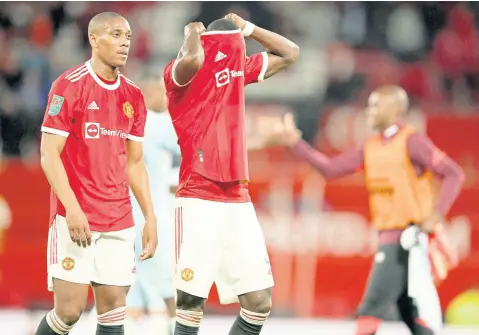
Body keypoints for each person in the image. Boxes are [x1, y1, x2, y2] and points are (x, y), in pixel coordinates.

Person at [269, 85, 464, 335]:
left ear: (394, 109)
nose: (369, 111)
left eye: (375, 105)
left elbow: (454, 173)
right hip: (391, 237)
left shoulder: (412, 141)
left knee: (372, 307)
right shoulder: (371, 146)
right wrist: (295, 143)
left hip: (405, 239)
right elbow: (330, 169)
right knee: (409, 310)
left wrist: (437, 214)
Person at [163, 13, 299, 335]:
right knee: (190, 301)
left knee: (258, 301)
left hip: (238, 197)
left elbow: (290, 52)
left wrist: (249, 29)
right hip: (198, 195)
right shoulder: (177, 74)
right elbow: (194, 57)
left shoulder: (237, 70)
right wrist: (193, 32)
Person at [35, 12, 158, 335]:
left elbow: (135, 163)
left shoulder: (133, 96)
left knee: (114, 310)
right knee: (69, 312)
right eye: (116, 35)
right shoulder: (69, 85)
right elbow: (49, 154)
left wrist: (150, 217)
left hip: (119, 217)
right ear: (94, 39)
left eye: (128, 37)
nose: (124, 44)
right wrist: (72, 209)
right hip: (77, 216)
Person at [126, 72, 180, 334]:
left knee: (133, 290)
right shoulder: (160, 123)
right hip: (154, 218)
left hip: (126, 216)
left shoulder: (128, 124)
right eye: (160, 91)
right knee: (170, 290)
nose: (166, 97)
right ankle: (178, 330)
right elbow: (194, 147)